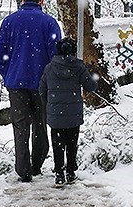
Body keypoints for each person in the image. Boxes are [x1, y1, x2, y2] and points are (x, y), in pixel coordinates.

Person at [0, 0, 62, 182]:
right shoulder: (49, 23)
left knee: (20, 126)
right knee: (41, 124)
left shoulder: (9, 22)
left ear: (23, 0)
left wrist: (8, 74)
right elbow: (55, 54)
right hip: (41, 83)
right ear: (41, 1)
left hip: (16, 84)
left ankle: (23, 169)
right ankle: (37, 164)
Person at [39, 37, 97, 186]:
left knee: (57, 144)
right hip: (73, 115)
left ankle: (59, 173)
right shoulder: (78, 67)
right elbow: (90, 86)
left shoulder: (49, 68)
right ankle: (71, 172)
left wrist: (49, 105)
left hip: (55, 116)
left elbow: (42, 89)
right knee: (72, 144)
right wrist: (94, 76)